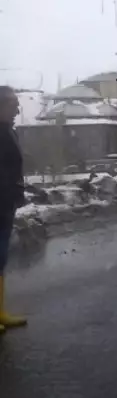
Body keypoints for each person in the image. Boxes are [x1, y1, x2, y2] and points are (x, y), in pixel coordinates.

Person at [0, 86, 27, 332]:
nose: (18, 108)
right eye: (13, 104)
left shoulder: (8, 131)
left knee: (1, 258)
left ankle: (0, 312)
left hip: (6, 202)